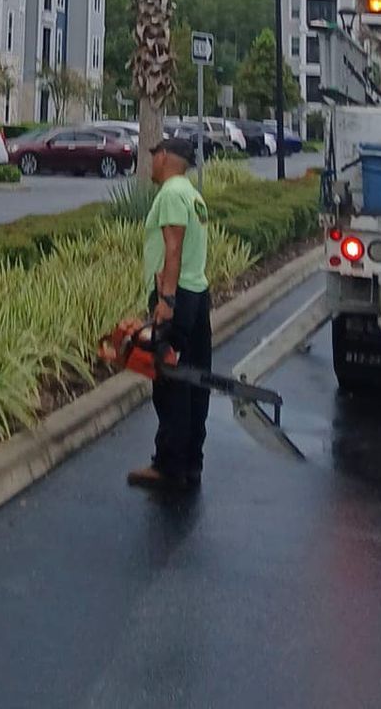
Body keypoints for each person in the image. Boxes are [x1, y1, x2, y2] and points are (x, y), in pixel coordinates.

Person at [129, 133, 212, 493]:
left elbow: (173, 249)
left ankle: (168, 465)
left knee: (171, 382)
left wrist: (166, 301)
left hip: (177, 297)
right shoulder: (192, 195)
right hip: (196, 294)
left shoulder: (172, 194)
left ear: (165, 156)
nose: (150, 161)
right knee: (195, 379)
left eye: (154, 154)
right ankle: (191, 461)